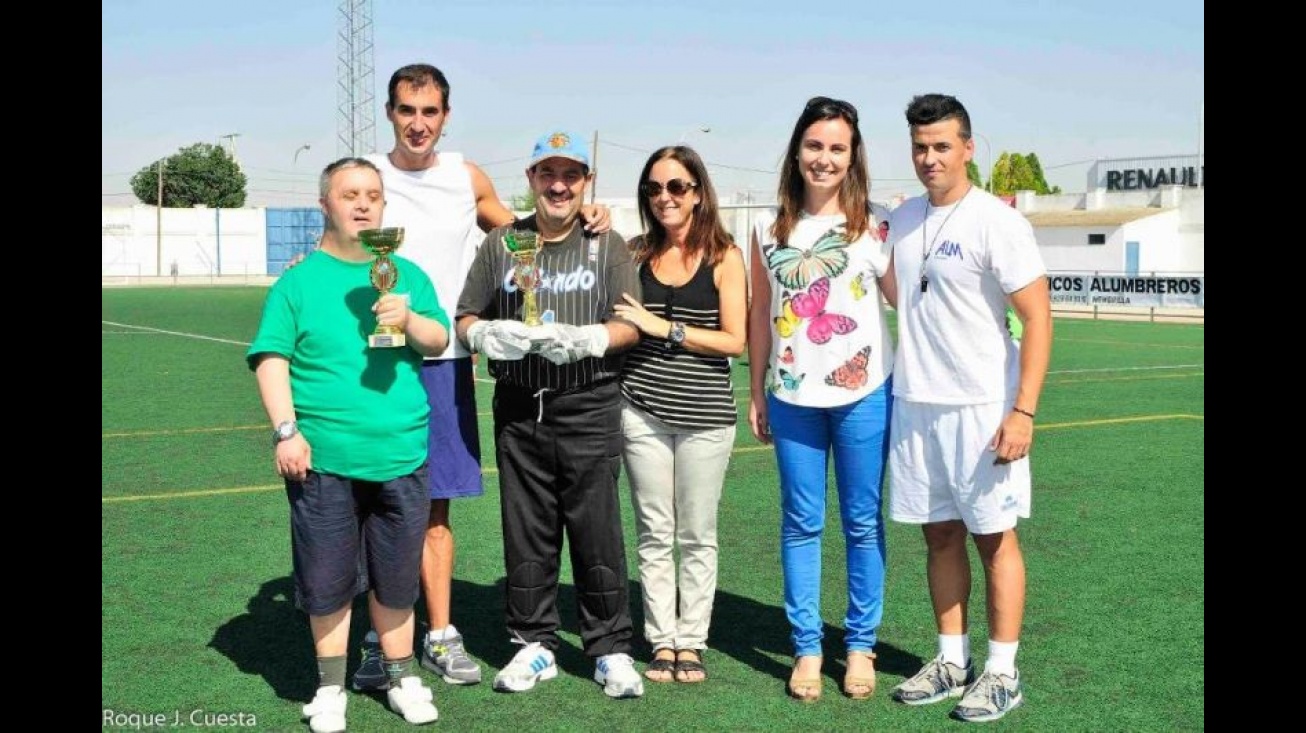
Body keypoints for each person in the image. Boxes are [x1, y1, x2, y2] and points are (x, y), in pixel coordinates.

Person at [352, 63, 611, 691]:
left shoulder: (464, 176)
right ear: (390, 112)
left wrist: (585, 217)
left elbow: (522, 232)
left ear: (445, 115)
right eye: (408, 110)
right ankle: (373, 637)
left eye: (431, 111)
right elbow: (338, 241)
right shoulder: (365, 175)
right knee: (366, 503)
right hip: (374, 360)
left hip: (444, 359)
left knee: (435, 506)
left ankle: (439, 634)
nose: (419, 123)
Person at [246, 157, 446, 732]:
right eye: (349, 194)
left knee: (397, 579)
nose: (363, 204)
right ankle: (330, 688)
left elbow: (437, 340)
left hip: (401, 454)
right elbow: (271, 359)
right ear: (326, 206)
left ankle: (402, 674)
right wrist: (287, 430)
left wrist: (408, 317)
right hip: (324, 460)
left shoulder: (406, 273)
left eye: (373, 194)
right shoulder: (299, 281)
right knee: (328, 581)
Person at [454, 129, 645, 699]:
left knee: (597, 531)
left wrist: (591, 339)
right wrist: (487, 332)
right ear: (532, 180)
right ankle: (534, 643)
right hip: (519, 406)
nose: (558, 185)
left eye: (570, 175)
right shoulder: (502, 243)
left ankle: (610, 647)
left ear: (586, 183)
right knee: (527, 528)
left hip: (589, 402)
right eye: (547, 174)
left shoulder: (606, 243)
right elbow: (464, 316)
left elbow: (631, 325)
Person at [884, 93, 1052, 723]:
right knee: (940, 535)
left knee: (994, 538)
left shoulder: (998, 221)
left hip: (983, 410)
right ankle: (951, 660)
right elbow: (900, 298)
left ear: (968, 147)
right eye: (920, 147)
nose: (930, 158)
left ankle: (1002, 673)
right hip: (916, 404)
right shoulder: (900, 221)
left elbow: (1037, 318)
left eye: (942, 146)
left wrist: (1023, 410)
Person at [745, 97, 896, 703]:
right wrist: (756, 388)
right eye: (815, 146)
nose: (824, 158)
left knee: (862, 522)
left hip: (864, 394)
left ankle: (860, 645)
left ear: (853, 154)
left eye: (837, 147)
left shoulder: (877, 224)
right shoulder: (766, 226)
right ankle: (807, 647)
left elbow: (909, 300)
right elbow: (760, 313)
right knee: (802, 523)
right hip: (791, 396)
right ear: (797, 151)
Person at [611, 146, 747, 684]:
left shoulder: (725, 256)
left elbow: (734, 340)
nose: (664, 197)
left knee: (695, 533)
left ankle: (691, 641)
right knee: (653, 530)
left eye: (676, 187)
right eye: (654, 188)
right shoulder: (635, 251)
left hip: (706, 417)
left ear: (697, 192)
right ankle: (660, 641)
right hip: (640, 410)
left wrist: (661, 325)